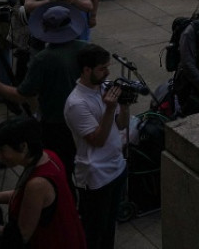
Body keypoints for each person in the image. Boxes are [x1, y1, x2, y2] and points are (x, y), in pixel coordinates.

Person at [0, 5, 88, 184]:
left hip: (55, 124)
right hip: (84, 118)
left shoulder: (43, 59)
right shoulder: (85, 48)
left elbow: (21, 95)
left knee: (60, 171)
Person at [0, 116, 86, 248]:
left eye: (2, 150)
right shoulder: (48, 156)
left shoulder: (37, 184)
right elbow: (25, 196)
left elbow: (20, 236)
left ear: (23, 146)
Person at [64, 43, 129, 249]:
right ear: (86, 70)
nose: (107, 72)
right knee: (94, 231)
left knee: (109, 228)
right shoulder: (76, 103)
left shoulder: (105, 87)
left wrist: (125, 104)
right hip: (95, 176)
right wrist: (109, 110)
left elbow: (122, 125)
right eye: (102, 68)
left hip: (116, 167)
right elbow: (98, 141)